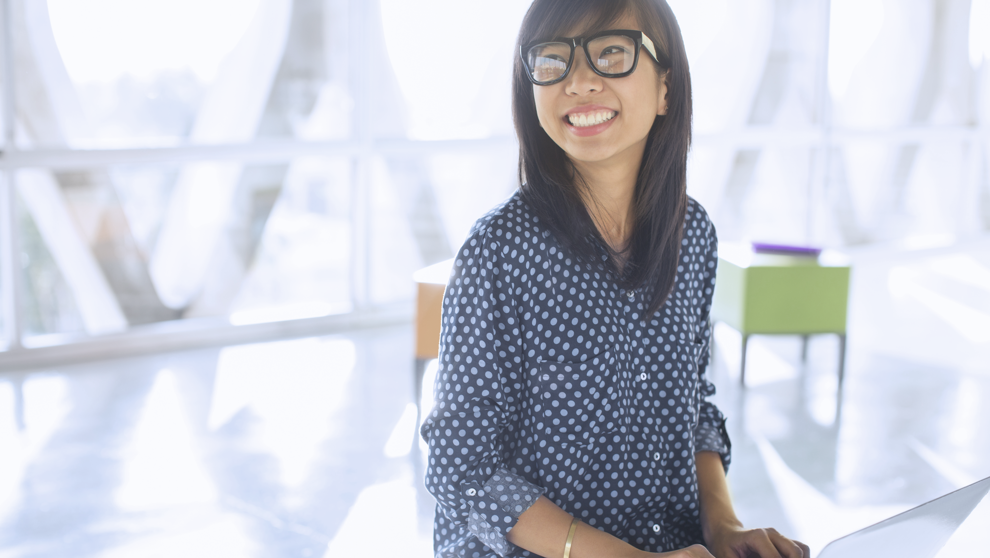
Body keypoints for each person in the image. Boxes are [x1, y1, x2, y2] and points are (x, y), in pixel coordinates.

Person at [420, 1, 810, 557]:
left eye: (611, 53)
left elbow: (692, 407)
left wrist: (722, 527)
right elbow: (463, 464)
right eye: (553, 60)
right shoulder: (499, 253)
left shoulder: (691, 232)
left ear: (666, 88)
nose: (579, 81)